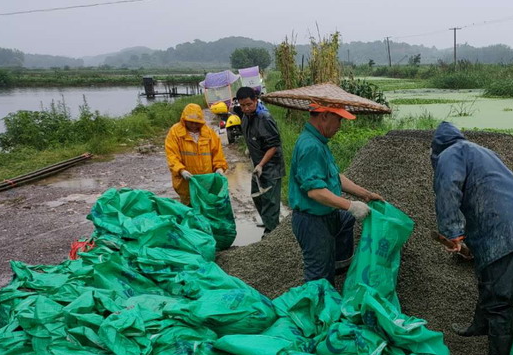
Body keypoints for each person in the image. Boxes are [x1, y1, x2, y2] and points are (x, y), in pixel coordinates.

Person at [431, 121, 513, 355]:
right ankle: (480, 325)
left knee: (500, 299)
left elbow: (447, 191)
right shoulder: (482, 151)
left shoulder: (449, 155)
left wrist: (453, 233)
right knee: (488, 279)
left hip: (503, 231)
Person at [289, 102, 383, 284]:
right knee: (318, 278)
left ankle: (337, 265)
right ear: (324, 116)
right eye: (339, 119)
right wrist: (350, 205)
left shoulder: (319, 142)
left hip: (326, 216)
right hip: (313, 222)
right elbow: (315, 192)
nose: (340, 126)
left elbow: (335, 177)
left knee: (346, 220)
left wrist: (365, 194)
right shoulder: (311, 146)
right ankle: (319, 299)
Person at [236, 86, 285, 233]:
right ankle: (268, 221)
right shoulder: (245, 117)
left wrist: (261, 164)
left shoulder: (265, 118)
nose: (246, 108)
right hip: (258, 164)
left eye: (249, 104)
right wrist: (250, 149)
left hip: (271, 166)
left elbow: (274, 145)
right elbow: (252, 136)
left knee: (270, 200)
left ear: (256, 100)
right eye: (242, 105)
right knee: (257, 195)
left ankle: (271, 233)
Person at [164, 103, 227, 205]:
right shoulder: (175, 133)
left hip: (207, 183)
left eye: (197, 123)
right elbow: (172, 155)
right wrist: (181, 170)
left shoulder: (209, 133)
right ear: (184, 120)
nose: (194, 125)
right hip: (186, 183)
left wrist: (219, 167)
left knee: (207, 207)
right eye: (191, 122)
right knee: (189, 209)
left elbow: (217, 153)